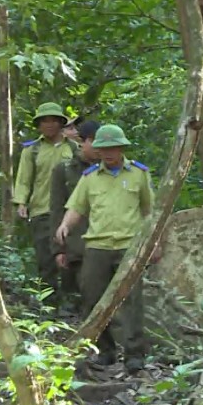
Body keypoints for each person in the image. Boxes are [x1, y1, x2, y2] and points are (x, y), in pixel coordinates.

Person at [55, 124, 156, 371]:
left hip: (129, 246)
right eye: (103, 148)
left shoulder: (138, 174)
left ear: (121, 148)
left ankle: (134, 355)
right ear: (97, 150)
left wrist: (156, 243)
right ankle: (105, 350)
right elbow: (77, 207)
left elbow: (150, 212)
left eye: (113, 148)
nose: (108, 153)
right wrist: (64, 226)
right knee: (92, 297)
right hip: (97, 246)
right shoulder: (90, 178)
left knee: (132, 301)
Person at [13, 102, 79, 299]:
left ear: (60, 123)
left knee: (72, 256)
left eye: (53, 121)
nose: (49, 125)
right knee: (46, 260)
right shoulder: (31, 150)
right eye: (44, 121)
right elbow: (24, 179)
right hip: (42, 210)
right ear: (39, 125)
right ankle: (49, 303)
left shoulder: (74, 148)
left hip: (70, 211)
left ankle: (71, 302)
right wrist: (21, 203)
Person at [49, 119, 101, 317]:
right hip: (74, 244)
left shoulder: (107, 169)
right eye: (93, 141)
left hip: (101, 242)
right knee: (73, 297)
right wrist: (58, 249)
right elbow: (56, 210)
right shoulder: (63, 170)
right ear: (82, 141)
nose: (98, 148)